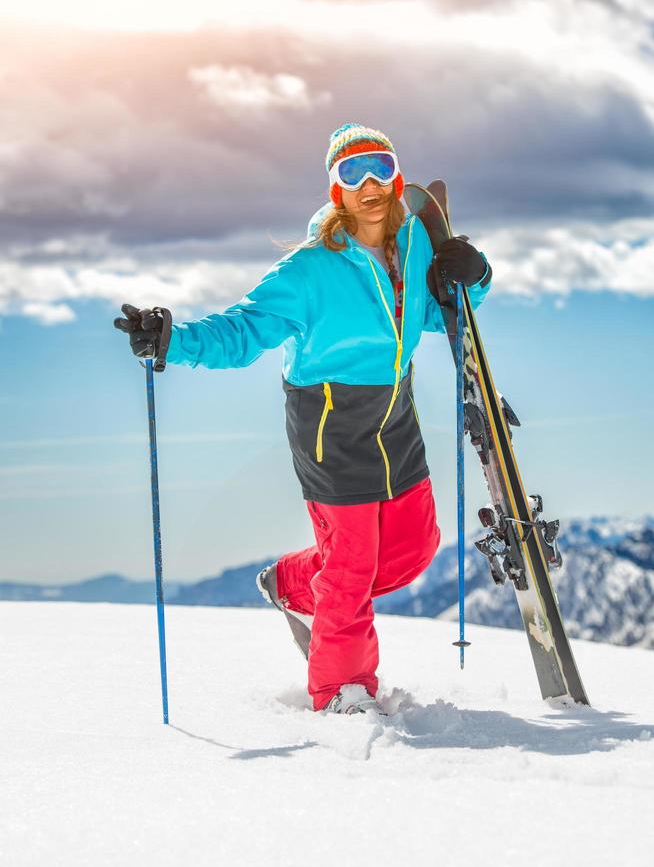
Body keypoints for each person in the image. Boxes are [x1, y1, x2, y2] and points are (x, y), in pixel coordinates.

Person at [115, 123, 492, 716]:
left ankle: (290, 584)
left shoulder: (416, 246)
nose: (368, 183)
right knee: (351, 569)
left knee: (414, 549)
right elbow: (240, 331)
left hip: (397, 416)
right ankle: (344, 692)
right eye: (351, 173)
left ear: (396, 176)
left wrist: (475, 271)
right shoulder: (310, 269)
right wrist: (172, 340)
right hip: (331, 425)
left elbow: (450, 302)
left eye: (379, 167)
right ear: (335, 190)